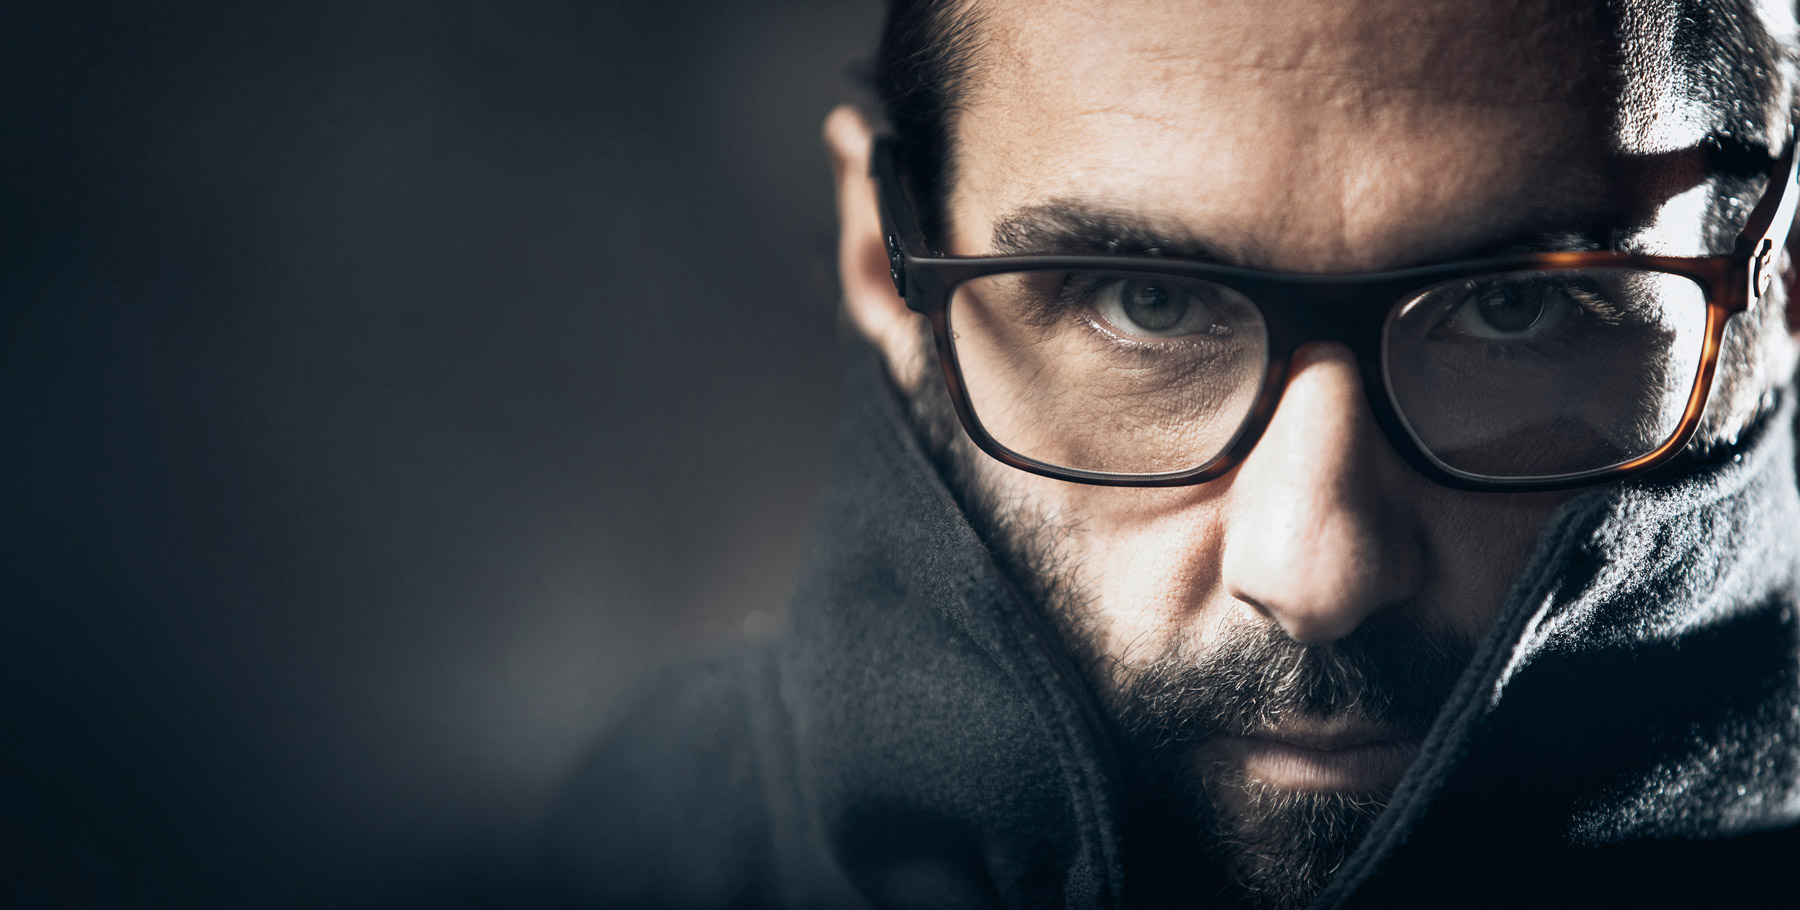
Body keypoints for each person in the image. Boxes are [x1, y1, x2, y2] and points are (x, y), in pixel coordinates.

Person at [550, 1, 1800, 906]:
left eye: (1513, 309)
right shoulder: (634, 856)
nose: (1317, 572)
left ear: (1783, 279)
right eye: (1145, 303)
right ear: (885, 259)